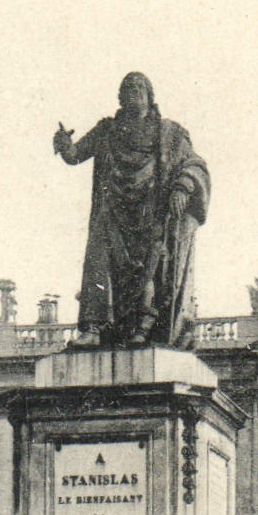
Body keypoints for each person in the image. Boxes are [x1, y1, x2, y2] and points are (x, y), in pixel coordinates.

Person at [54, 72, 209, 348]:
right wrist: (64, 145)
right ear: (119, 98)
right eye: (126, 89)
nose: (132, 92)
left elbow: (194, 163)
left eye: (138, 88)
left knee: (150, 270)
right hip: (112, 211)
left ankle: (144, 326)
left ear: (150, 96)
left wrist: (184, 186)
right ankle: (93, 328)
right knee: (97, 260)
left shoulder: (170, 133)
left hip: (152, 212)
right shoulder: (107, 131)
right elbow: (76, 155)